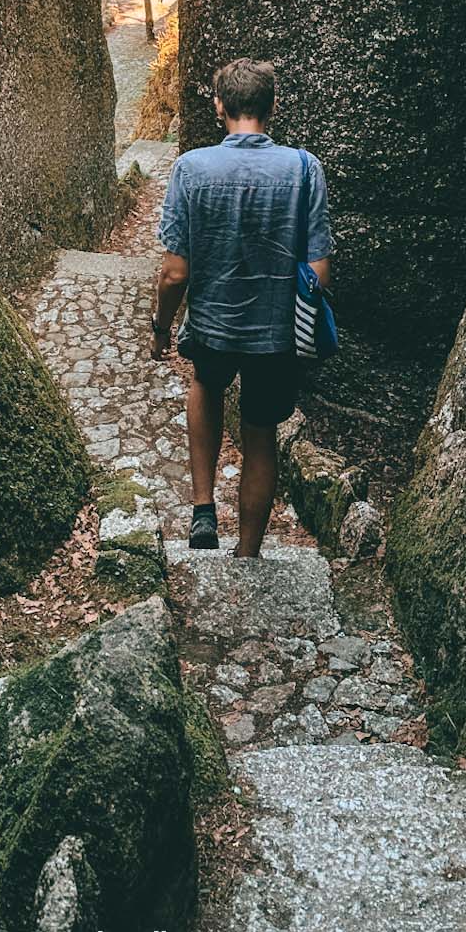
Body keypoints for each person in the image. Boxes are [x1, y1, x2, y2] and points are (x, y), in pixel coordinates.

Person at [149, 57, 333, 557]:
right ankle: (248, 552)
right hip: (275, 336)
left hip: (212, 325)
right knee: (260, 434)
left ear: (219, 107)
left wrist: (162, 329)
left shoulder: (191, 169)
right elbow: (318, 273)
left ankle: (204, 507)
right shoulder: (303, 168)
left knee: (205, 385)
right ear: (272, 107)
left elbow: (174, 273)